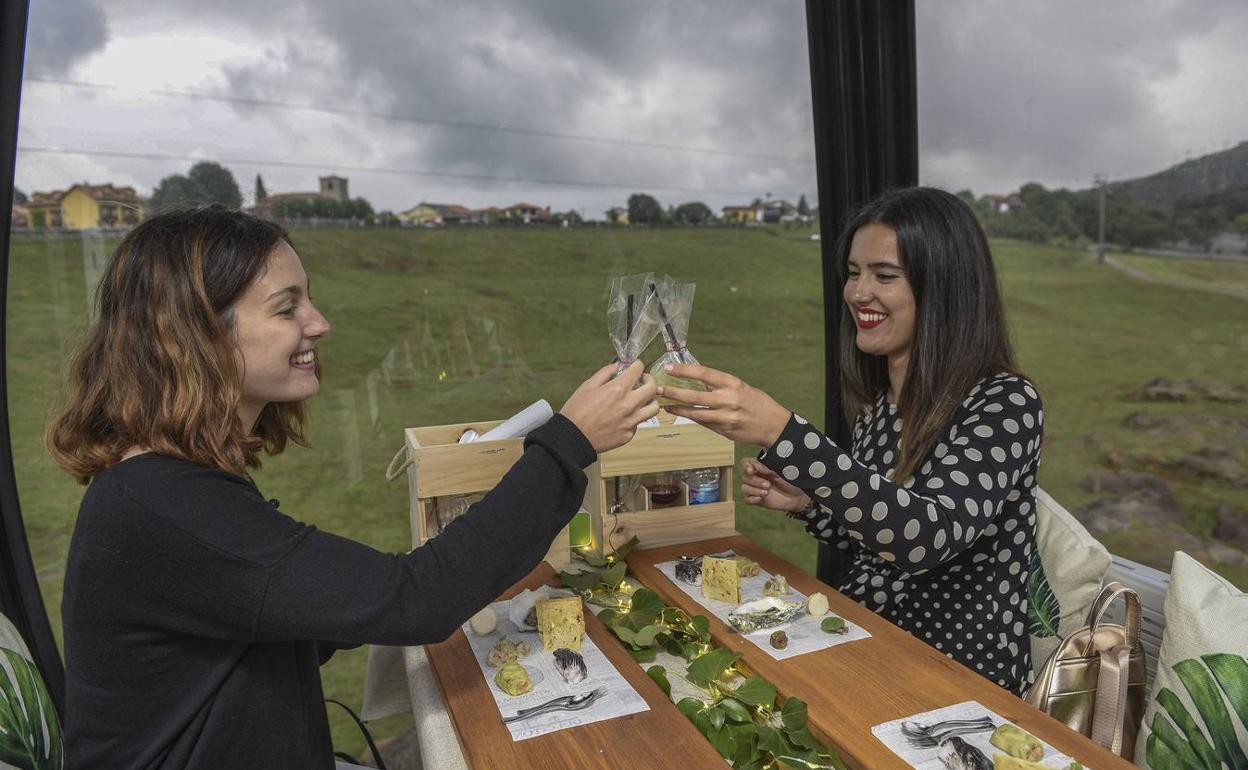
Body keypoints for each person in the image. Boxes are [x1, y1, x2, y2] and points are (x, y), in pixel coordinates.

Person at [47, 205, 659, 769]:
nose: (319, 322)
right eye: (287, 308)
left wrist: (359, 590)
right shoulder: (167, 508)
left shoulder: (162, 487)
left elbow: (289, 610)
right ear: (197, 334)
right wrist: (571, 441)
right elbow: (415, 601)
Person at [659, 187, 1043, 694]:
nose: (859, 293)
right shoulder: (882, 407)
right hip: (865, 643)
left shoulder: (1006, 403)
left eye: (884, 275)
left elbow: (927, 538)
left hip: (954, 677)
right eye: (854, 272)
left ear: (945, 288)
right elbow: (877, 536)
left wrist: (783, 433)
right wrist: (808, 504)